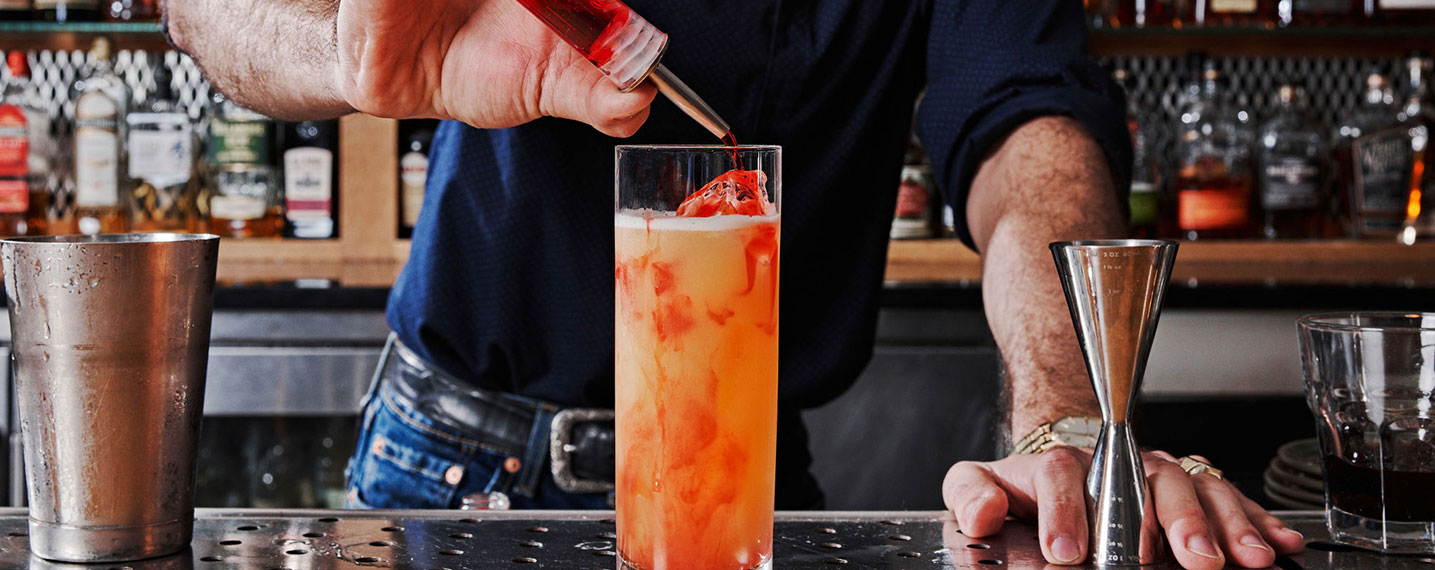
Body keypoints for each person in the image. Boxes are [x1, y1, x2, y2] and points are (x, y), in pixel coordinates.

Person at [164, 1, 1305, 568]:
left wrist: (1070, 421)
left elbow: (1029, 130)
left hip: (748, 474)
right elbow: (206, 15)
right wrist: (342, 51)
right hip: (457, 467)